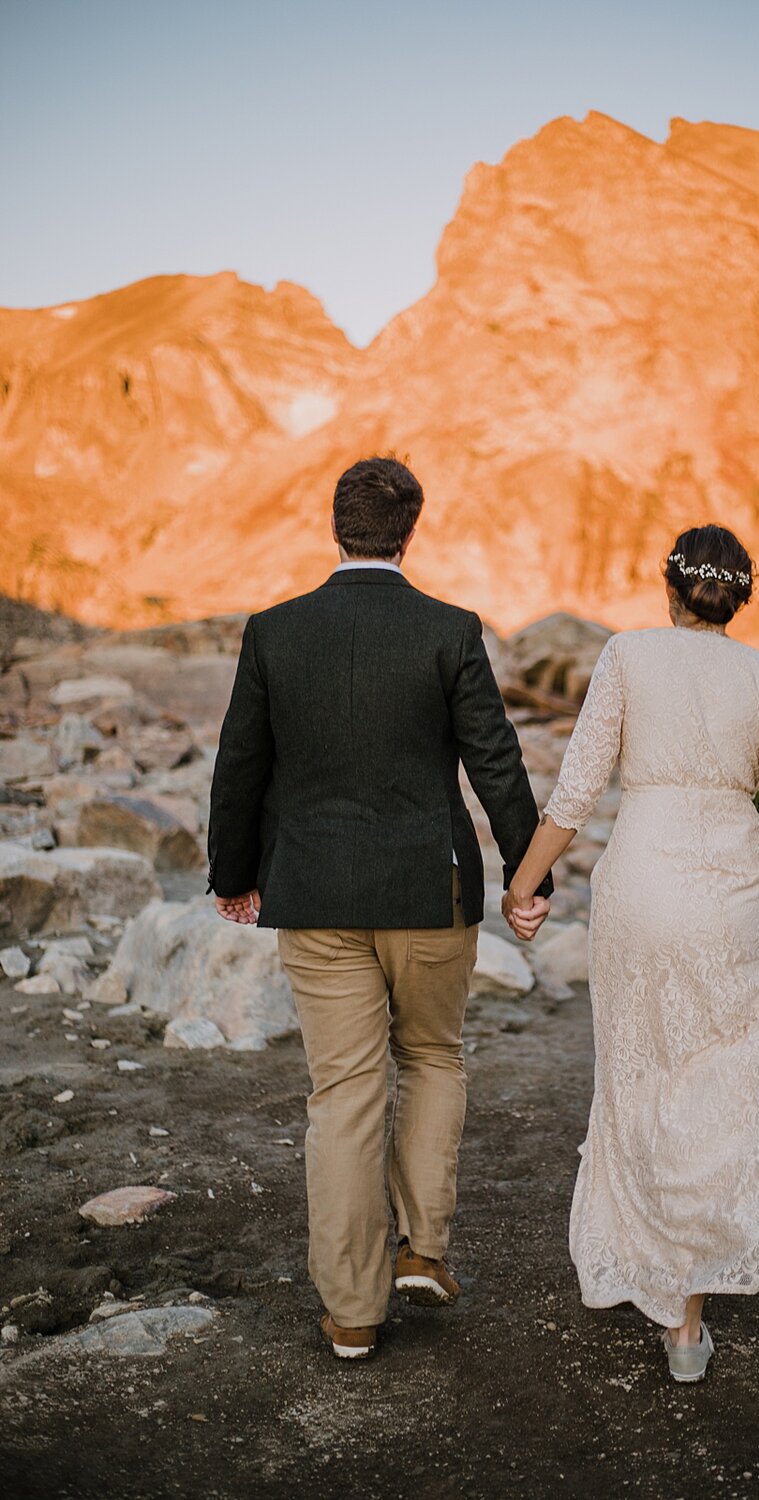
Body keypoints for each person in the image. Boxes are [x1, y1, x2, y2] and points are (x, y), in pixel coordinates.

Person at [206, 456, 552, 1361]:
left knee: (346, 1092)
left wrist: (232, 873)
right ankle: (422, 1251)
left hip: (315, 895)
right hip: (429, 893)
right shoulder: (449, 630)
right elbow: (496, 762)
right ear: (410, 530)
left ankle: (353, 1313)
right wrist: (529, 877)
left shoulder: (274, 632)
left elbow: (240, 761)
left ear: (337, 526)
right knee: (433, 1056)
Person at [503, 524, 759, 1383]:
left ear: (670, 589)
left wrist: (524, 888)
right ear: (739, 597)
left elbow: (576, 791)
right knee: (726, 1068)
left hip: (643, 886)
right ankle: (691, 1315)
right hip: (732, 894)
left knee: (640, 1069)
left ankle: (659, 1278)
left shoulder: (627, 656)